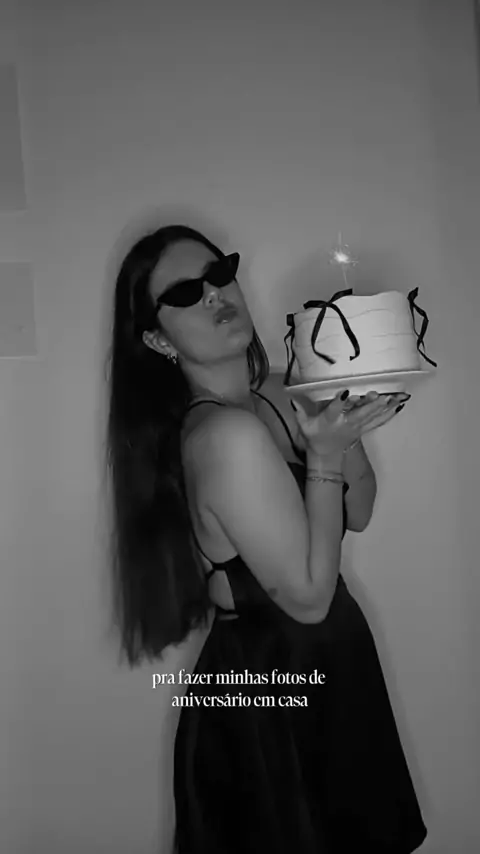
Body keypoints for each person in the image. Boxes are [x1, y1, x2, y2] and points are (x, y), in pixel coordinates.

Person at [105, 223, 427, 854]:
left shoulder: (280, 392)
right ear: (157, 338)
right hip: (267, 687)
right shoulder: (221, 437)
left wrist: (342, 421)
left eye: (219, 273)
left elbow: (358, 510)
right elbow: (308, 598)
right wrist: (323, 456)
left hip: (332, 660)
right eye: (185, 293)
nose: (213, 294)